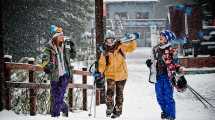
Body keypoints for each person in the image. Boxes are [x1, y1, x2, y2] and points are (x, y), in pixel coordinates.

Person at [97, 30, 137, 118]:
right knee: (109, 93)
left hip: (122, 75)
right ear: (105, 41)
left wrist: (132, 40)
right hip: (110, 75)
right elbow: (102, 63)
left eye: (111, 40)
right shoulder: (104, 51)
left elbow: (131, 48)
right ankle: (109, 108)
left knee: (119, 94)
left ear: (114, 40)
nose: (109, 42)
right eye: (108, 40)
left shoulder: (120, 46)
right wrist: (99, 73)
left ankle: (117, 111)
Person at [146, 30, 182, 120]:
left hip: (167, 77)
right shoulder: (155, 49)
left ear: (167, 38)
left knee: (168, 97)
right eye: (160, 35)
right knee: (159, 97)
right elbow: (152, 61)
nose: (161, 37)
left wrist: (177, 69)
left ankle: (171, 116)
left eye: (163, 36)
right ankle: (165, 112)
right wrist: (149, 63)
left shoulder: (171, 49)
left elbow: (176, 61)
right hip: (157, 77)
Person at [42, 25, 75, 117]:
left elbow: (73, 55)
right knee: (55, 95)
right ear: (55, 38)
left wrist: (73, 46)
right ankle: (64, 107)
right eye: (60, 36)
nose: (62, 38)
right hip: (54, 75)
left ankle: (55, 115)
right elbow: (44, 59)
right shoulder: (49, 48)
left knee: (59, 95)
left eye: (62, 36)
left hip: (65, 74)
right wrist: (47, 65)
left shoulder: (66, 47)